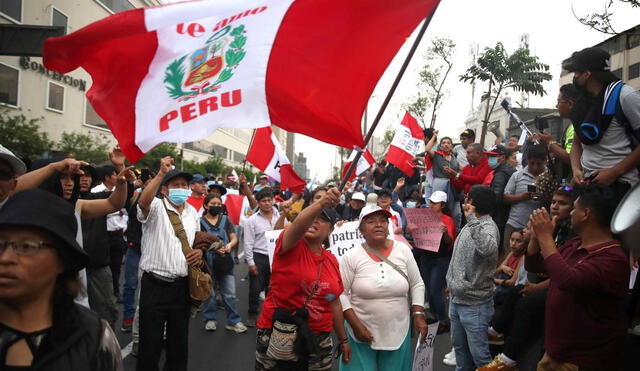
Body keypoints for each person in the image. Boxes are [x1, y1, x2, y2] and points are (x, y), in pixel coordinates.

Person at [0, 189, 122, 370]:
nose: (6, 258)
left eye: (26, 246)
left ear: (62, 260)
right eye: (0, 244)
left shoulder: (94, 336)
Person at [527, 184, 629, 370]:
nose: (572, 213)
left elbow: (568, 280)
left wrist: (545, 238)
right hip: (553, 355)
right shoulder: (575, 244)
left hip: (582, 361)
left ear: (586, 213)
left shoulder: (613, 258)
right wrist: (535, 238)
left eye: (574, 208)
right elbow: (536, 266)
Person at [480, 187, 575, 371]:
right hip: (543, 279)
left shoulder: (571, 233)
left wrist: (538, 288)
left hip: (559, 287)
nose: (555, 206)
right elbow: (534, 264)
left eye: (562, 203)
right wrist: (534, 236)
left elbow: (563, 275)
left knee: (527, 303)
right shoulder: (553, 227)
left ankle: (508, 360)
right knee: (517, 292)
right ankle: (495, 332)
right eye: (553, 202)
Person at [256, 188, 350, 370]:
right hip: (278, 331)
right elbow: (298, 225)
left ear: (331, 229)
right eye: (313, 215)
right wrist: (322, 203)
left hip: (318, 338)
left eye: (323, 219)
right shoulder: (289, 244)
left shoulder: (331, 260)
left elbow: (335, 302)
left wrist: (343, 339)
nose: (315, 220)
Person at [136, 157, 204, 371]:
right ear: (164, 190)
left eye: (184, 185)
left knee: (178, 343)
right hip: (154, 285)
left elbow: (197, 240)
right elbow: (142, 203)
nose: (181, 189)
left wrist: (200, 252)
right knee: (150, 343)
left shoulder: (193, 212)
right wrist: (160, 173)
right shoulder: (155, 207)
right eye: (176, 185)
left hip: (181, 287)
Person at [340, 204, 426, 371]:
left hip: (398, 329)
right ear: (361, 230)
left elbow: (417, 283)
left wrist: (418, 314)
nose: (378, 224)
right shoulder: (351, 256)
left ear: (388, 227)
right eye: (371, 221)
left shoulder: (403, 251)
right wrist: (356, 325)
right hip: (360, 331)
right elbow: (341, 293)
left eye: (383, 221)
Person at [564, 47, 640, 195]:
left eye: (576, 73)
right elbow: (577, 143)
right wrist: (576, 169)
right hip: (589, 187)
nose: (575, 77)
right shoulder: (582, 103)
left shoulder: (625, 96)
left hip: (622, 187)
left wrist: (615, 172)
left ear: (586, 74)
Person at [446, 185, 499, 371]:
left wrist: (471, 219)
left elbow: (487, 248)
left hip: (475, 305)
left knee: (480, 356)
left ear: (472, 203)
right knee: (460, 350)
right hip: (457, 299)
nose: (464, 201)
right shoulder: (471, 224)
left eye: (467, 198)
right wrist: (451, 283)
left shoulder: (488, 226)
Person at [200, 194, 247, 333]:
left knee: (230, 293)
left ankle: (233, 321)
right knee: (209, 293)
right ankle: (210, 319)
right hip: (207, 263)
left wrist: (229, 246)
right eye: (213, 203)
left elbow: (233, 238)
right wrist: (212, 248)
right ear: (206, 206)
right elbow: (198, 242)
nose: (216, 206)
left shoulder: (226, 220)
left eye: (218, 204)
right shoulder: (200, 222)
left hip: (225, 262)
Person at [411, 191, 456, 335]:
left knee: (436, 290)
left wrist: (444, 232)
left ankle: (443, 320)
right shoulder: (423, 217)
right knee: (429, 289)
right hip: (425, 257)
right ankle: (435, 316)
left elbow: (450, 242)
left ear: (442, 205)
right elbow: (415, 234)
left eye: (435, 203)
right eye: (430, 202)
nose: (431, 205)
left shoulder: (447, 220)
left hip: (439, 258)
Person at [502, 144, 548, 255]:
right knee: (509, 259)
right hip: (514, 224)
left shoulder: (549, 177)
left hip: (537, 229)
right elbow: (505, 197)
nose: (535, 167)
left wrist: (544, 198)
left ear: (545, 161)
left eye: (539, 164)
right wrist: (522, 197)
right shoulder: (517, 176)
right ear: (527, 160)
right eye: (532, 163)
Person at [244, 188, 280, 327]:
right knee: (255, 288)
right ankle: (252, 314)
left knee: (272, 289)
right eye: (263, 201)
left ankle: (269, 315)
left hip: (275, 258)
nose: (267, 203)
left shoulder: (279, 216)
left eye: (269, 200)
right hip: (259, 257)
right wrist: (251, 263)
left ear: (273, 201)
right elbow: (248, 243)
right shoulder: (251, 221)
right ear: (258, 203)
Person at [420, 131, 462, 228]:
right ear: (441, 146)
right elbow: (427, 149)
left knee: (455, 213)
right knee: (438, 209)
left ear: (452, 146)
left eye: (448, 143)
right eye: (443, 143)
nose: (446, 144)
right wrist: (434, 135)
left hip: (453, 185)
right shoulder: (436, 155)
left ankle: (453, 232)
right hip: (440, 185)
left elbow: (459, 171)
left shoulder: (454, 158)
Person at [488, 145, 516, 250]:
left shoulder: (500, 174)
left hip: (499, 217)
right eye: (489, 157)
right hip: (506, 215)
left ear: (502, 157)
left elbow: (496, 197)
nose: (489, 160)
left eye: (493, 157)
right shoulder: (510, 170)